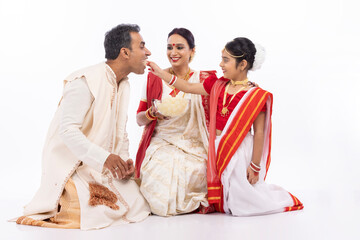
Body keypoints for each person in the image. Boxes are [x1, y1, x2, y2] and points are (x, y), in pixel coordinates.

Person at [146, 37, 304, 216]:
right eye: (221, 59)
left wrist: (255, 165)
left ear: (242, 64)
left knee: (239, 204)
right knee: (224, 199)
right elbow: (188, 86)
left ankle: (278, 201)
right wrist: (161, 73)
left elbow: (259, 132)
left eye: (226, 60)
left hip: (239, 150)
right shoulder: (217, 85)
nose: (220, 64)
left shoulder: (254, 95)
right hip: (217, 147)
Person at [15, 24, 151, 230]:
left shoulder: (123, 83)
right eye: (142, 46)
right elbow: (68, 130)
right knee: (85, 211)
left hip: (101, 167)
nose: (148, 52)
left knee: (140, 201)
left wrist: (123, 164)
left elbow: (120, 131)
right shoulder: (85, 80)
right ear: (125, 52)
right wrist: (104, 158)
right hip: (73, 164)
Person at [135, 28, 212, 216]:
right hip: (162, 143)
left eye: (180, 47)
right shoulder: (154, 79)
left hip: (195, 145)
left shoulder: (203, 80)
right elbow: (139, 119)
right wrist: (152, 113)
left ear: (192, 51)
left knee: (194, 172)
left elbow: (225, 97)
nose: (173, 52)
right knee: (159, 173)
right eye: (169, 47)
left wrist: (245, 86)